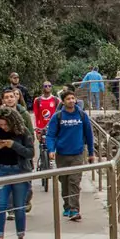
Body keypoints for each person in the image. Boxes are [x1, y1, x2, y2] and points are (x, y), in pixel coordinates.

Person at [0, 89, 35, 239]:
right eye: (0, 125)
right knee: (0, 205)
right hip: (2, 171)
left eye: (6, 124)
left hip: (19, 171)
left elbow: (30, 152)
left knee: (19, 206)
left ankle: (21, 237)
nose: (3, 128)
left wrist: (14, 145)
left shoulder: (23, 132)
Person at [43, 90, 97, 221]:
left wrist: (91, 152)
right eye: (68, 99)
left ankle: (74, 209)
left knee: (74, 181)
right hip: (62, 154)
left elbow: (89, 135)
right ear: (63, 101)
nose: (71, 101)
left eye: (73, 98)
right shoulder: (58, 116)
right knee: (64, 182)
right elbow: (50, 135)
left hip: (77, 154)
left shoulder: (82, 115)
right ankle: (67, 206)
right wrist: (51, 149)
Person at [31, 80, 60, 184]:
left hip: (53, 128)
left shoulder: (56, 100)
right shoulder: (37, 100)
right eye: (45, 86)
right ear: (42, 87)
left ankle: (52, 161)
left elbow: (58, 115)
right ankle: (42, 162)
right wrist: (36, 129)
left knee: (52, 146)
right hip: (41, 127)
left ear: (51, 87)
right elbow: (36, 115)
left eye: (49, 85)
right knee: (42, 146)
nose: (47, 87)